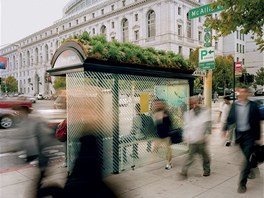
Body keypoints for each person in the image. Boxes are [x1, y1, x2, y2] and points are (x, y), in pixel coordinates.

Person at [224, 86, 261, 194]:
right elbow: (229, 118)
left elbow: (257, 122)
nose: (241, 93)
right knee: (246, 158)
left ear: (248, 93)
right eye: (240, 92)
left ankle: (242, 183)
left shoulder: (253, 106)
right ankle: (252, 166)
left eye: (244, 92)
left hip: (250, 136)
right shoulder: (234, 105)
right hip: (239, 136)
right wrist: (224, 130)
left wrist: (258, 137)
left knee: (245, 161)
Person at [13, 106, 53, 198]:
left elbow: (46, 135)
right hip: (36, 155)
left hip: (41, 155)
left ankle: (47, 192)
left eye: (20, 111)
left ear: (25, 112)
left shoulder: (34, 122)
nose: (18, 113)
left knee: (38, 182)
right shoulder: (23, 122)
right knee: (39, 181)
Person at [179, 96, 211, 179]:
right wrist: (185, 136)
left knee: (205, 156)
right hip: (193, 139)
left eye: (195, 102)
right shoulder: (188, 114)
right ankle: (184, 172)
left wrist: (206, 134)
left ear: (198, 102)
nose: (193, 104)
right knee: (190, 157)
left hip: (201, 139)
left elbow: (207, 124)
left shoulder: (205, 112)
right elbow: (186, 126)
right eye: (191, 103)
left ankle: (206, 170)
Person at [151, 99, 173, 170]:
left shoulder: (166, 113)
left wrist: (164, 118)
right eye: (156, 104)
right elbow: (154, 125)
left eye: (158, 104)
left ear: (162, 105)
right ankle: (153, 161)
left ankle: (168, 163)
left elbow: (169, 123)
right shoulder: (154, 112)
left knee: (168, 150)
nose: (157, 105)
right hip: (158, 135)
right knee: (155, 149)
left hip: (166, 135)